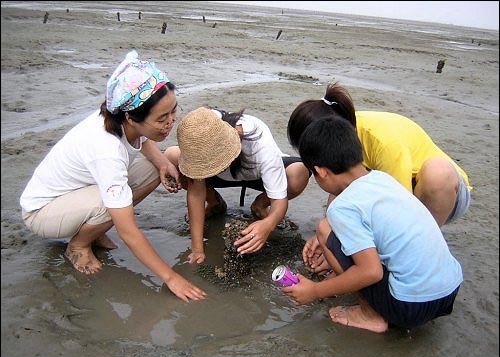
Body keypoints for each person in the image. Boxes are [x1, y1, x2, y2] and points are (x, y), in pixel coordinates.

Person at [19, 50, 207, 302]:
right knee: (116, 204)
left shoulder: (121, 117)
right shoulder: (106, 149)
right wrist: (171, 278)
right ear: (130, 117)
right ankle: (79, 245)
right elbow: (127, 230)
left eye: (173, 110)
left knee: (159, 164)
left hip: (80, 192)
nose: (171, 122)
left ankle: (92, 228)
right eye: (161, 118)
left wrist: (162, 162)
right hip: (43, 212)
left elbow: (141, 137)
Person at [282, 115, 463, 333]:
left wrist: (316, 291)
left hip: (411, 307)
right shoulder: (382, 179)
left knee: (324, 229)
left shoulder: (342, 206)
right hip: (449, 291)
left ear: (320, 171)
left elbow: (371, 272)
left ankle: (369, 315)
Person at [288, 82, 472, 275]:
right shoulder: (343, 131)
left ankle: (420, 253)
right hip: (399, 196)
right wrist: (328, 237)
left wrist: (352, 257)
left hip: (442, 195)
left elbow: (397, 211)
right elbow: (342, 191)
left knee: (437, 173)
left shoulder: (382, 142)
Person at [164, 107, 310, 263]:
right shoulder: (201, 132)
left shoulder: (260, 147)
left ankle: (260, 205)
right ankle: (215, 203)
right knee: (170, 156)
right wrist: (197, 248)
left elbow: (279, 201)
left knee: (298, 173)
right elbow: (195, 193)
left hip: (257, 174)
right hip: (218, 175)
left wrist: (269, 223)